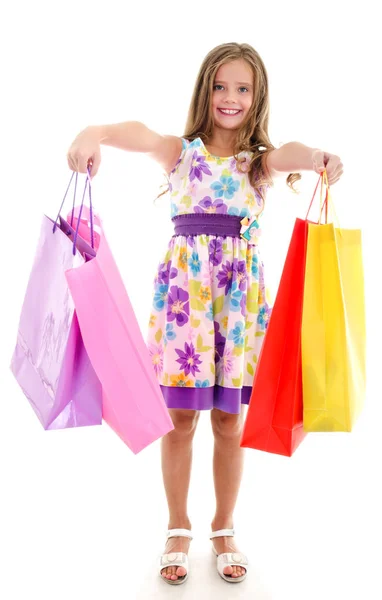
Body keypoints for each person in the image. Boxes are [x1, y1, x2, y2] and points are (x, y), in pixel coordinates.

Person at [67, 42, 343, 586]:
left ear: (257, 96)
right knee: (179, 419)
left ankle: (223, 527)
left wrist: (317, 159)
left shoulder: (258, 162)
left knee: (228, 421)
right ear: (206, 91)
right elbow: (138, 132)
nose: (231, 98)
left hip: (237, 306)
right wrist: (94, 131)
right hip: (187, 302)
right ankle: (176, 526)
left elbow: (290, 150)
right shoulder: (181, 152)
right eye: (221, 86)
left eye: (243, 89)